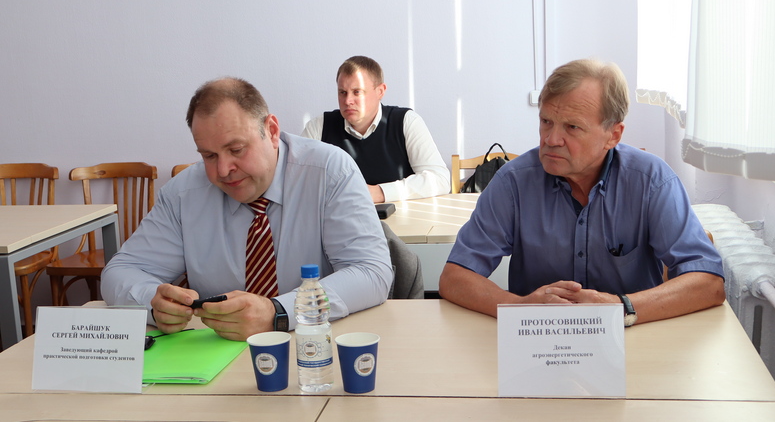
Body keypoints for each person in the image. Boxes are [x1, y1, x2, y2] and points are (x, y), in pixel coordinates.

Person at [102, 77, 393, 341]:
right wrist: (153, 303)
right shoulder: (183, 194)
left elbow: (371, 271)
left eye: (237, 150)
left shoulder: (329, 171)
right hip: (216, 354)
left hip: (314, 346)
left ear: (272, 131)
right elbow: (121, 271)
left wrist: (279, 311)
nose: (223, 169)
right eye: (209, 156)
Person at [439, 59, 725, 325]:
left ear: (613, 135)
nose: (551, 139)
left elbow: (709, 283)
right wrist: (520, 307)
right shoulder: (513, 182)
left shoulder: (651, 181)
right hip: (539, 340)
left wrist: (620, 306)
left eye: (572, 127)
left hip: (632, 338)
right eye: (546, 121)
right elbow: (455, 277)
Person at [302, 55, 450, 203]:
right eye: (342, 92)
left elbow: (439, 179)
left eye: (357, 92)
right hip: (338, 216)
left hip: (401, 216)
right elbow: (296, 180)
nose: (348, 101)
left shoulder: (406, 121)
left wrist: (378, 193)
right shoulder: (319, 126)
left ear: (380, 91)